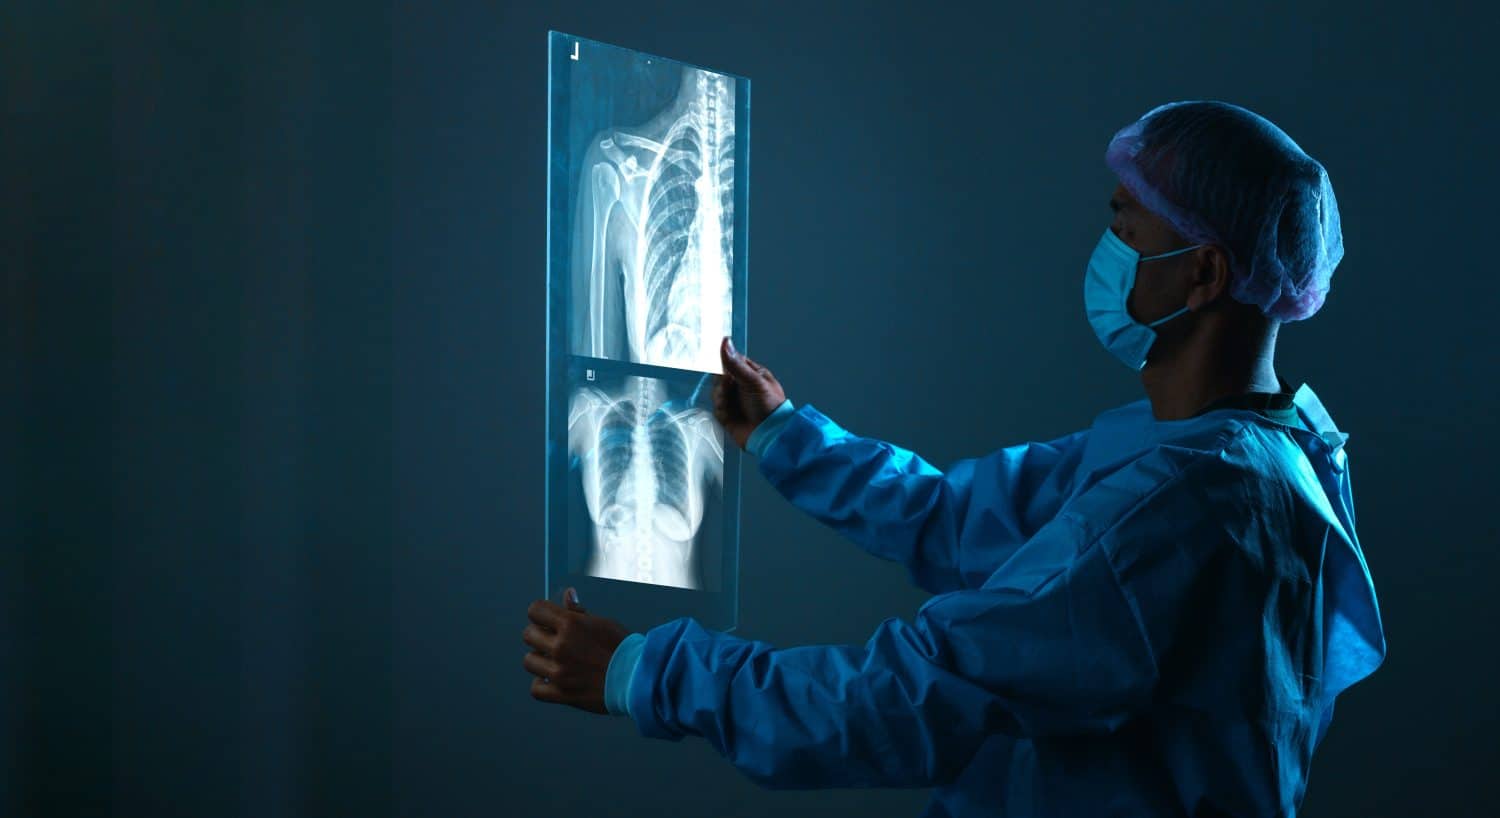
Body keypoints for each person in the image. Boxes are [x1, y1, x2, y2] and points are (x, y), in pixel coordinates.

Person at [522, 100, 1386, 816]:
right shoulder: (1251, 453)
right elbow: (957, 519)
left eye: (1123, 222)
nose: (1106, 245)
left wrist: (646, 674)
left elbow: (909, 695)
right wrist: (787, 434)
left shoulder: (1181, 507)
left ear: (1201, 273)